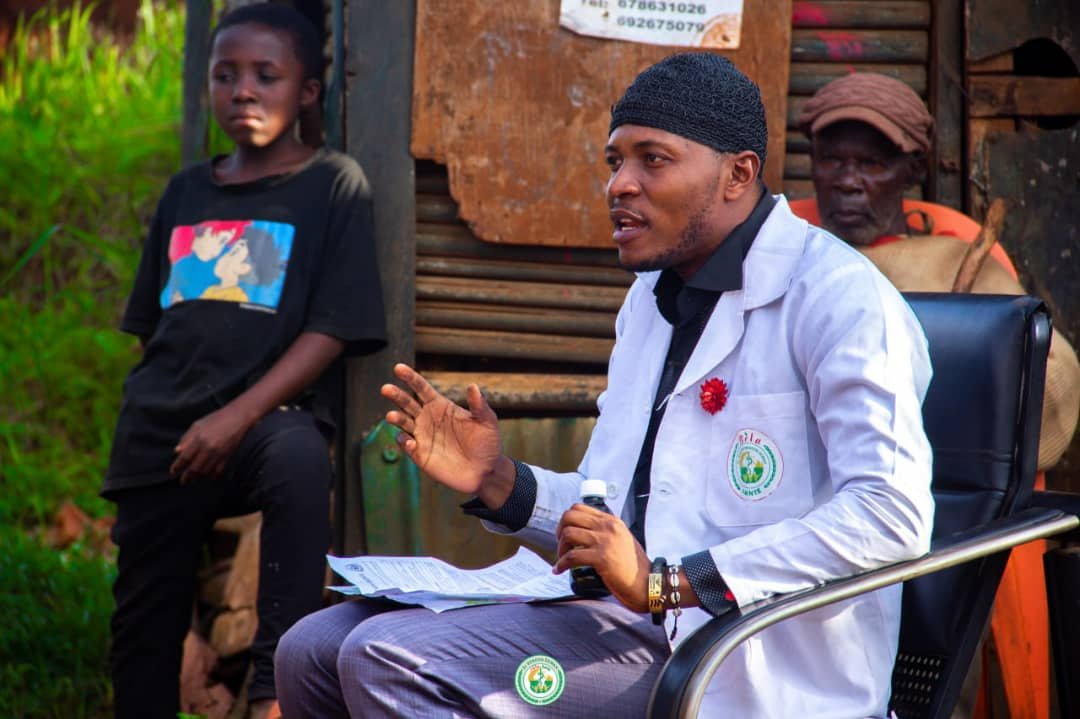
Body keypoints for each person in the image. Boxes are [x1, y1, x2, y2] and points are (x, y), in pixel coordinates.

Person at [275, 53, 934, 718]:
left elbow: (890, 514)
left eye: (653, 160)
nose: (620, 184)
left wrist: (666, 583)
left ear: (737, 175)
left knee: (388, 658)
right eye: (615, 161)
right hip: (627, 621)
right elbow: (612, 513)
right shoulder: (651, 298)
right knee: (309, 647)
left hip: (743, 657)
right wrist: (498, 481)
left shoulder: (839, 297)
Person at [103, 4, 386, 718]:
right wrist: (175, 416)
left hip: (260, 424)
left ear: (308, 91)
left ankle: (274, 693)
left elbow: (333, 327)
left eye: (266, 75)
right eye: (225, 75)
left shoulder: (332, 185)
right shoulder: (186, 190)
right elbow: (153, 329)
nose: (243, 91)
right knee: (144, 632)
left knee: (298, 454)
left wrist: (234, 417)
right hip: (163, 433)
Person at [795, 71, 1080, 719]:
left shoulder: (955, 260)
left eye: (871, 164)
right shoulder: (785, 246)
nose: (848, 180)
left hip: (932, 518)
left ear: (913, 169)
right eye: (833, 160)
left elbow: (1044, 391)